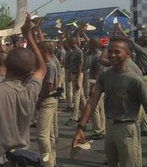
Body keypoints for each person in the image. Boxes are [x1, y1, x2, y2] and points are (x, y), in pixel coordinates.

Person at [0, 15, 47, 167]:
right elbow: (42, 68)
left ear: (5, 63)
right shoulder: (31, 90)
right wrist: (28, 35)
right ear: (29, 73)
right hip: (23, 160)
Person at [72, 38, 147, 167]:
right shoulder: (105, 76)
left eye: (117, 52)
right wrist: (80, 128)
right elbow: (92, 102)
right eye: (110, 51)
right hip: (110, 127)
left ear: (128, 54)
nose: (112, 55)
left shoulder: (135, 80)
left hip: (127, 130)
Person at [36, 41, 59, 167]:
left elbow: (48, 86)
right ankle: (52, 161)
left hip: (47, 100)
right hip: (49, 99)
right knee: (49, 134)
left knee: (41, 135)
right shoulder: (49, 63)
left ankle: (46, 163)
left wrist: (38, 101)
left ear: (44, 51)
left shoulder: (49, 65)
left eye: (38, 50)